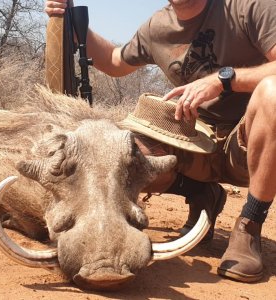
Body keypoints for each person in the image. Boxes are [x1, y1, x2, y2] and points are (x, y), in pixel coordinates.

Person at [45, 0, 276, 282]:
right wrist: (75, 26)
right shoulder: (157, 26)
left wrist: (224, 80)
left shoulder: (250, 7)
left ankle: (249, 226)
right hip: (193, 138)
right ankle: (200, 192)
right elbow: (115, 61)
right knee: (128, 154)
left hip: (249, 140)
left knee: (273, 93)